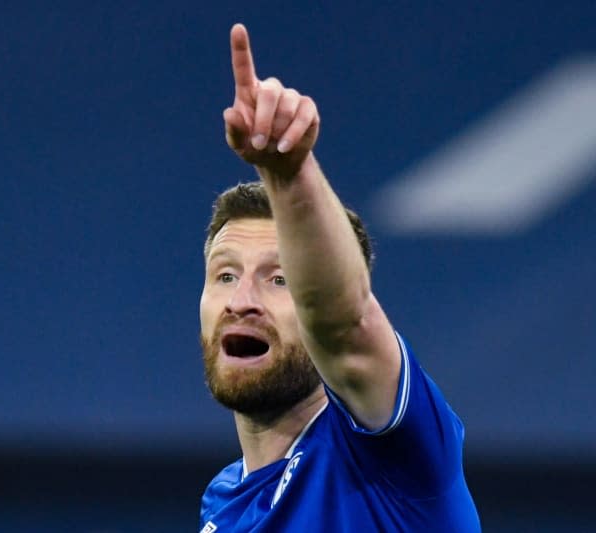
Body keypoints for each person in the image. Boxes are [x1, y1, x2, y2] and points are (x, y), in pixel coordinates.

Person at [198, 24, 480, 532]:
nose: (241, 300)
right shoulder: (223, 502)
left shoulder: (395, 455)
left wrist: (289, 175)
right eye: (224, 275)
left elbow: (342, 324)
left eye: (279, 280)